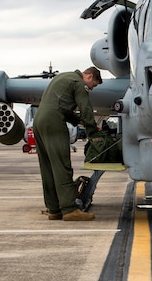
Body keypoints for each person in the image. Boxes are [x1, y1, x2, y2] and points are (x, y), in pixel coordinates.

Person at [34, 66, 103, 221]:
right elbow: (85, 108)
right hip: (53, 122)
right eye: (94, 85)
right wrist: (93, 132)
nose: (92, 89)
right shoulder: (79, 83)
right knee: (61, 165)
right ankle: (70, 209)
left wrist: (81, 122)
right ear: (90, 77)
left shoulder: (64, 77)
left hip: (39, 121)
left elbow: (63, 108)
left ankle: (54, 209)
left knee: (48, 167)